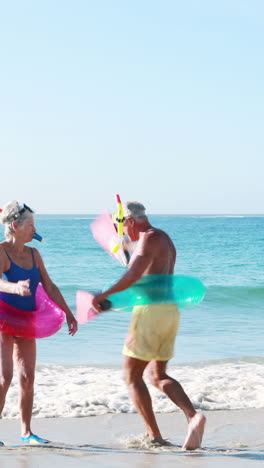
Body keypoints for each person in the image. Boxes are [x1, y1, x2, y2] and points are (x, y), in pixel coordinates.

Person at [92, 201, 205, 449]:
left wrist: (103, 296)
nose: (123, 232)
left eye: (122, 227)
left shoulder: (145, 240)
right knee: (157, 375)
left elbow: (132, 276)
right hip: (170, 311)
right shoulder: (163, 238)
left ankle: (153, 435)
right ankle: (193, 417)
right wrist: (125, 246)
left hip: (150, 312)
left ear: (130, 221)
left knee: (132, 376)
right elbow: (144, 257)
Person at [0, 201, 78, 445]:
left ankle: (26, 432)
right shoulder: (1, 251)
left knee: (28, 377)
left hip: (26, 320)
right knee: (5, 377)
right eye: (31, 225)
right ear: (15, 226)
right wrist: (14, 287)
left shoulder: (34, 254)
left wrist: (68, 312)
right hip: (3, 319)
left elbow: (50, 286)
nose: (35, 229)